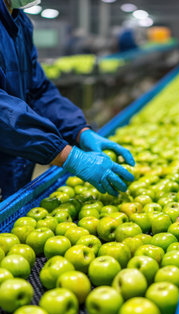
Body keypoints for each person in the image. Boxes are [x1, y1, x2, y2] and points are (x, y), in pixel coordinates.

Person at [0, 0, 135, 200]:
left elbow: (38, 91)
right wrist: (69, 156)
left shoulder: (21, 23)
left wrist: (79, 130)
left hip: (16, 166)